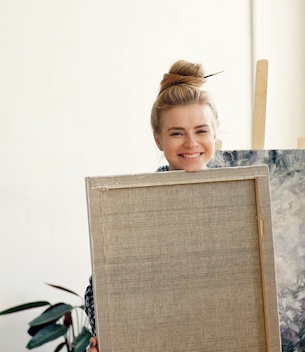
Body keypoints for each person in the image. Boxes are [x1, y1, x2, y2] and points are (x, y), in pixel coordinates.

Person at [85, 59, 221, 352]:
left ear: (214, 134)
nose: (190, 143)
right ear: (158, 139)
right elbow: (95, 293)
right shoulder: (136, 206)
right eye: (176, 133)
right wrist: (108, 335)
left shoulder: (242, 203)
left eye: (201, 131)